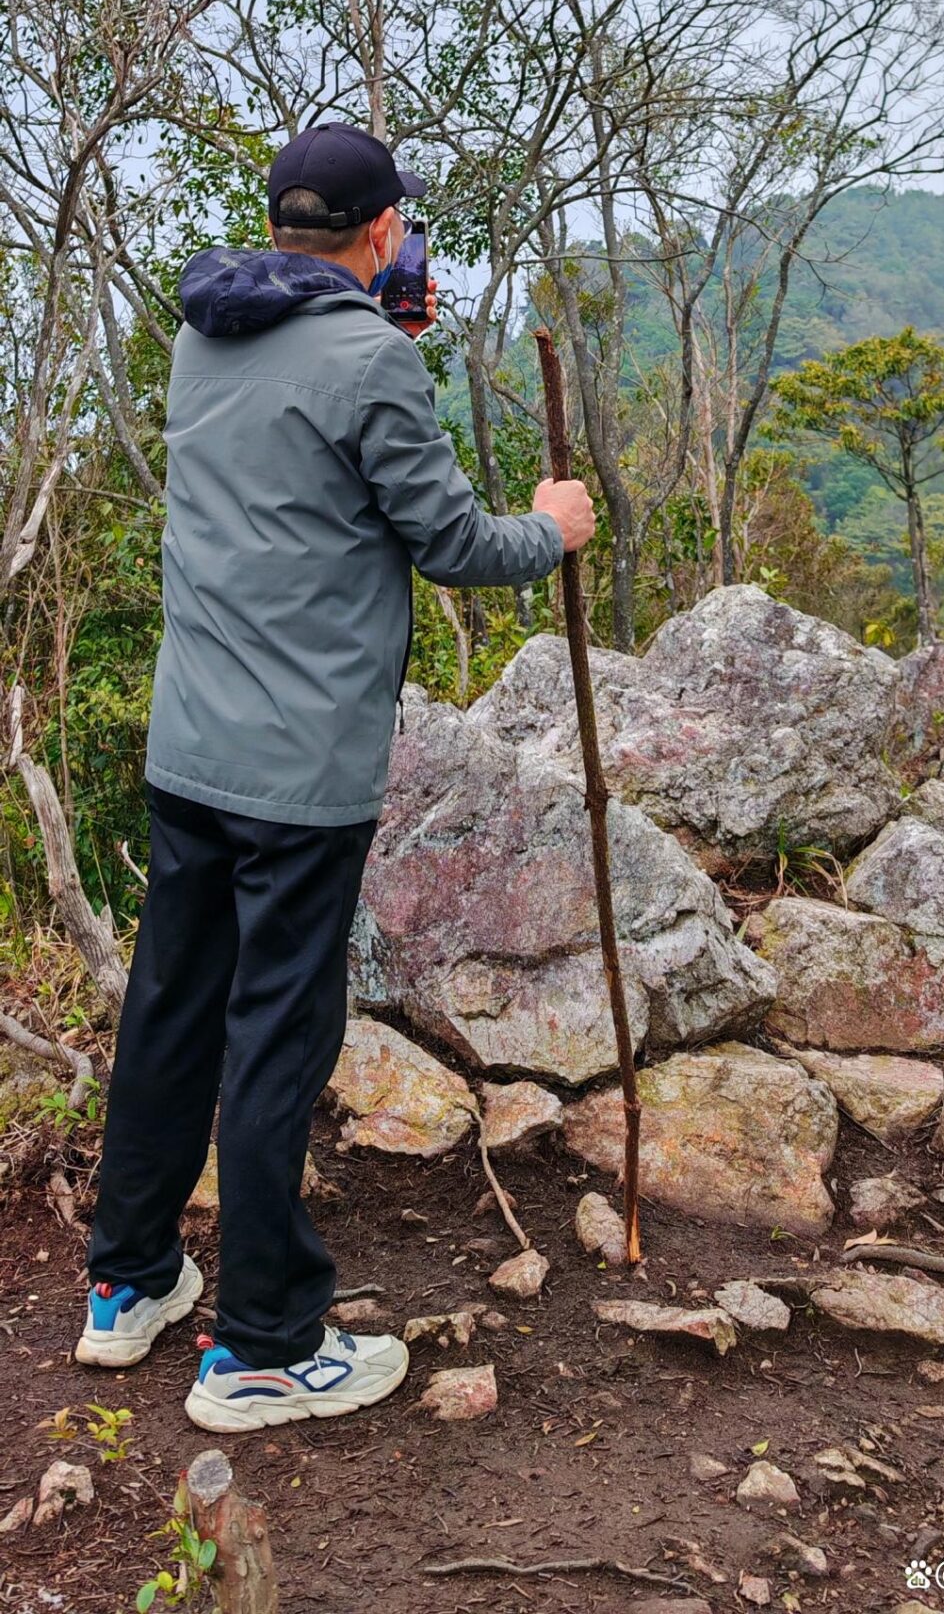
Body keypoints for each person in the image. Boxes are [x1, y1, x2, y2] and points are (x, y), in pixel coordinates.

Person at [78, 122, 594, 1433]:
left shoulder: (208, 333)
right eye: (397, 230)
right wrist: (554, 527)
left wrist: (371, 324)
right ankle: (261, 1347)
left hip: (191, 745)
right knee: (274, 1039)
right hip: (297, 769)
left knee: (171, 1009)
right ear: (379, 232)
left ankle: (128, 1283)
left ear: (281, 226)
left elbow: (296, 454)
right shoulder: (367, 355)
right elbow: (450, 541)